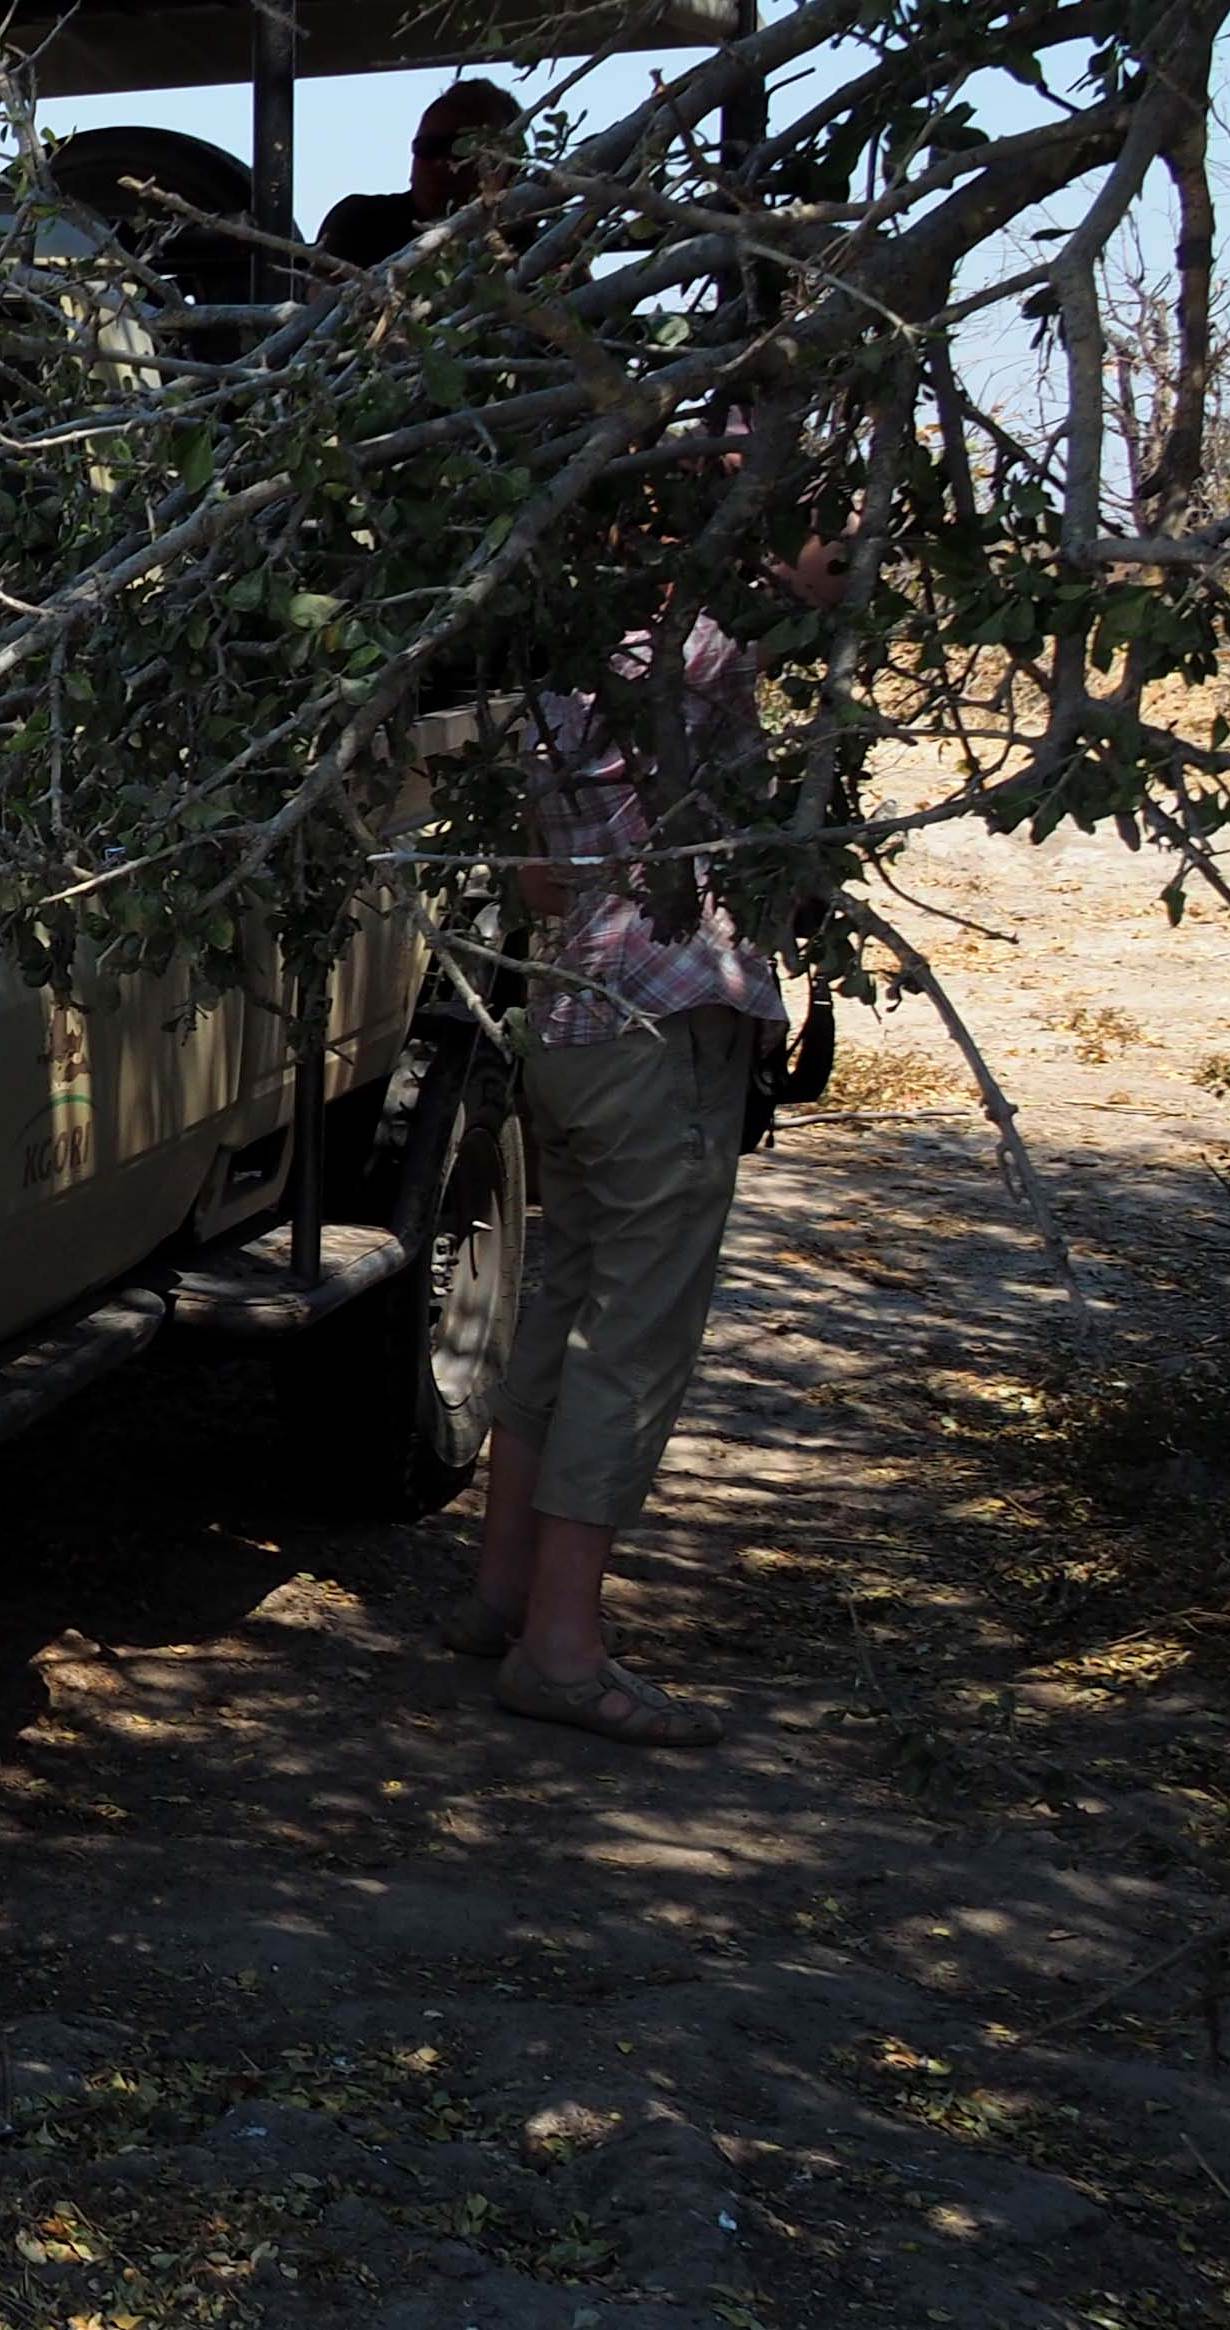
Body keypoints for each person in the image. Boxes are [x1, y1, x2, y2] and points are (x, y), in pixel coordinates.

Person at [452, 534, 837, 1748]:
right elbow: (815, 578)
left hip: (566, 1021)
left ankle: (501, 1595)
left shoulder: (559, 688)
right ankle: (562, 1649)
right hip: (659, 1030)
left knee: (560, 1304)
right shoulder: (686, 660)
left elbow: (540, 885)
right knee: (636, 1335)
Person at [318, 76, 523, 269]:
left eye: (462, 151)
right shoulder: (360, 222)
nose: (439, 163)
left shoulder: (536, 240)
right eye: (427, 147)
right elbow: (323, 298)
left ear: (510, 165)